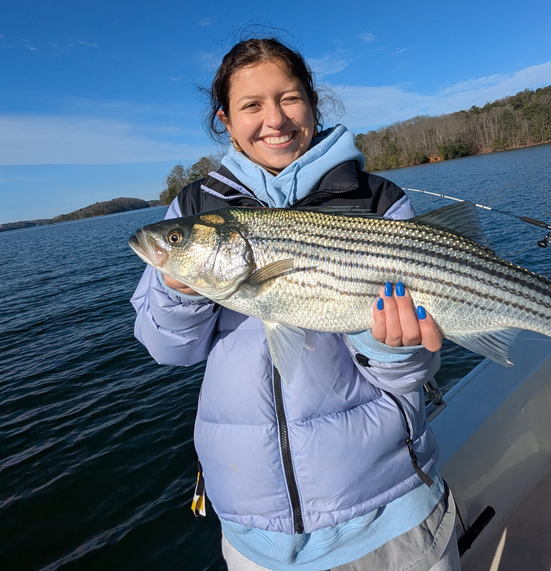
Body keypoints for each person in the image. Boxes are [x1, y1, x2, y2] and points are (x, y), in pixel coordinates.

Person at [131, 38, 460, 571]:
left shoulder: (377, 200)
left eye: (289, 98)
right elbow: (169, 350)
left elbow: (415, 370)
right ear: (226, 120)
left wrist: (394, 349)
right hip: (253, 535)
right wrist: (177, 289)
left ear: (313, 102)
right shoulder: (194, 209)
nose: (274, 120)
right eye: (251, 105)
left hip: (387, 514)